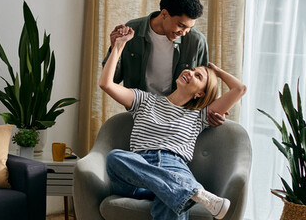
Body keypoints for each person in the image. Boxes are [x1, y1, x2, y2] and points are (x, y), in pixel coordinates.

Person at [99, 25, 246, 219]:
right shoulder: (144, 100)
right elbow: (106, 84)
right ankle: (192, 191)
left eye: (198, 76)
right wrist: (118, 47)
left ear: (200, 93)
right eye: (192, 69)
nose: (190, 72)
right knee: (115, 158)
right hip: (138, 170)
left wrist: (216, 72)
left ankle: (183, 191)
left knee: (173, 198)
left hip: (174, 166)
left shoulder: (199, 115)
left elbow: (239, 89)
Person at [102, 0, 228, 127]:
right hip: (141, 112)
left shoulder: (196, 41)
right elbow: (112, 79)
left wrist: (215, 112)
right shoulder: (133, 31)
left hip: (179, 119)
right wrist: (115, 49)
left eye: (189, 28)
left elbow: (205, 86)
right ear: (164, 14)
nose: (184, 33)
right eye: (181, 25)